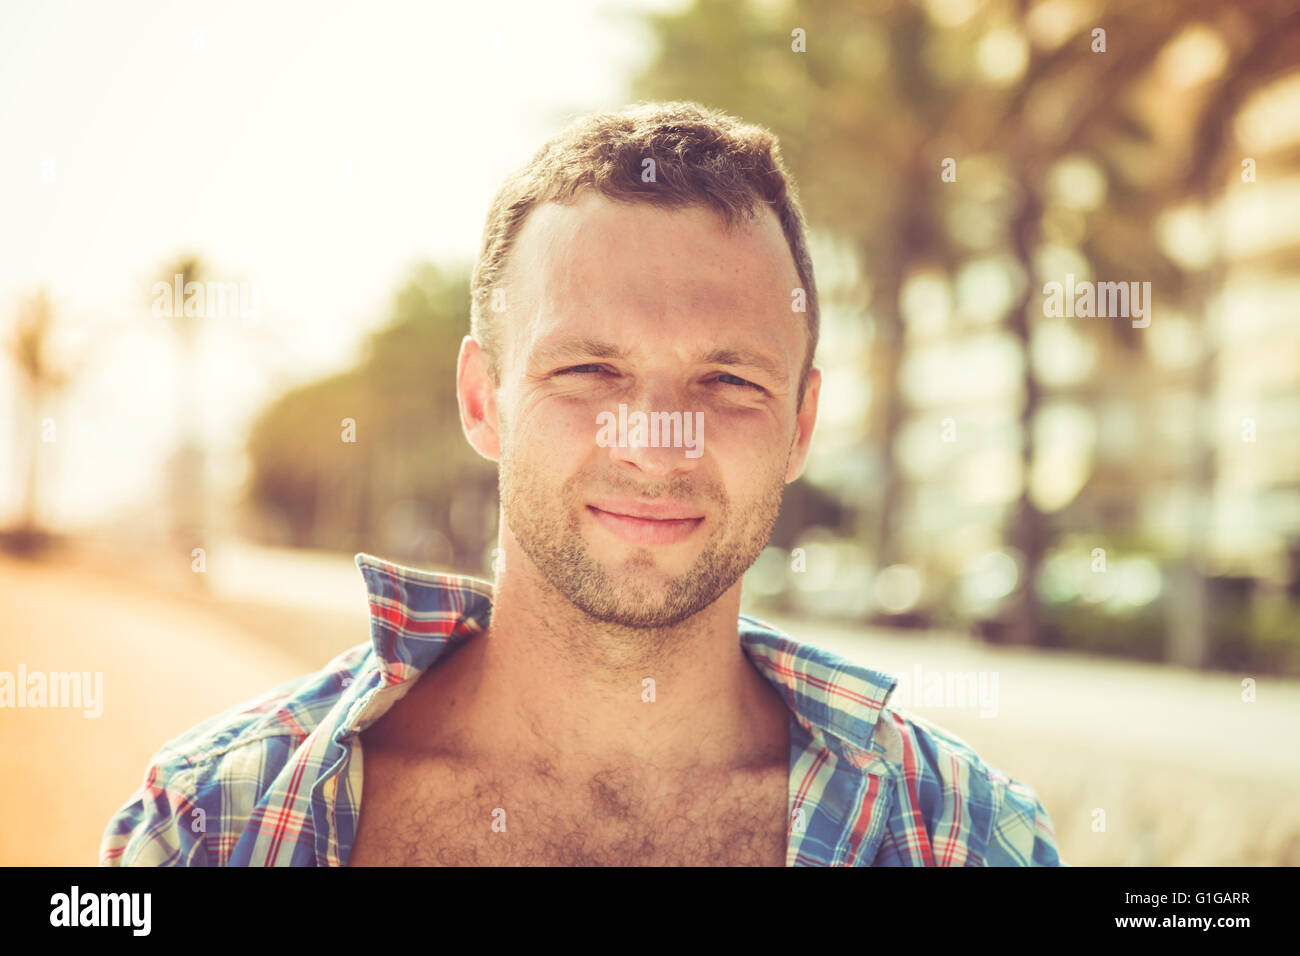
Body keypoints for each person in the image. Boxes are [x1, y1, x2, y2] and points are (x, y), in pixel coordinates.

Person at [100, 101, 1063, 867]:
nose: (653, 444)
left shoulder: (966, 840)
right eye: (588, 372)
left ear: (801, 425)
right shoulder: (209, 825)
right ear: (485, 400)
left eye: (728, 380)